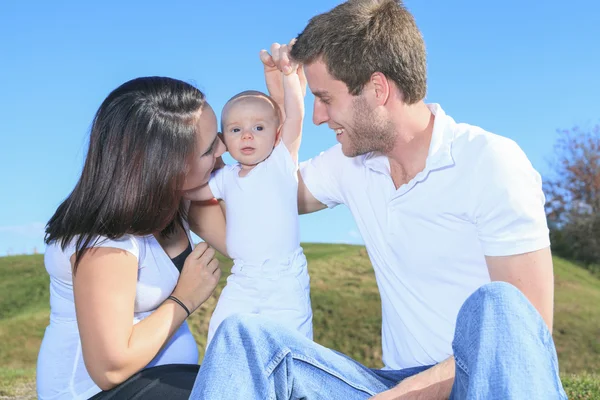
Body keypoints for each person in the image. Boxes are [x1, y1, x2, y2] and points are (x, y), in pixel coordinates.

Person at [189, 0, 568, 399]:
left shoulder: (490, 162)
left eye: (326, 98)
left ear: (377, 89)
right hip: (390, 383)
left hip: (480, 386)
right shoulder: (349, 165)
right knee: (241, 335)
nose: (318, 116)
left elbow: (523, 342)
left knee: (500, 305)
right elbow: (263, 195)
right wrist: (281, 104)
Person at [36, 76, 228, 399]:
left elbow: (247, 241)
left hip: (158, 383)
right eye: (211, 148)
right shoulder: (104, 242)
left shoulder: (175, 201)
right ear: (167, 168)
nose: (224, 148)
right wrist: (185, 299)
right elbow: (110, 367)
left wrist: (284, 116)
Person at [186, 58, 313, 348]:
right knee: (222, 336)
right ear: (223, 141)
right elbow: (191, 192)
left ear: (276, 134)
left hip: (284, 279)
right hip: (243, 277)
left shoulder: (280, 163)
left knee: (293, 348)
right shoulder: (225, 178)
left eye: (258, 128)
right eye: (235, 130)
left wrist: (290, 76)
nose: (246, 135)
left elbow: (294, 117)